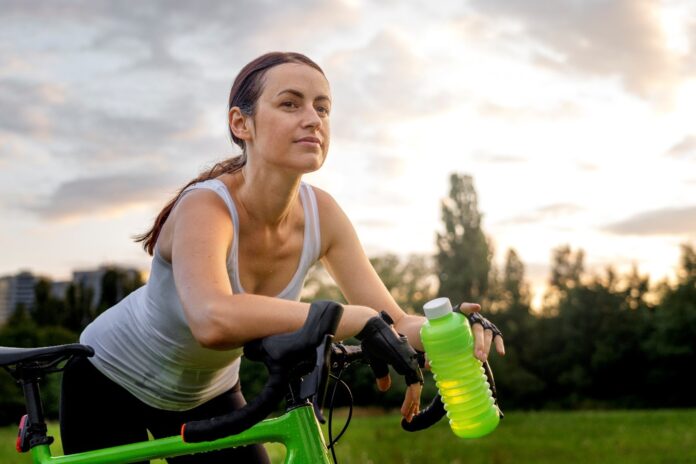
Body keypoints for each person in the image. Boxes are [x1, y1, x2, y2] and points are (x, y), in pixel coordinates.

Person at [59, 51, 505, 463]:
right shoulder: (206, 207)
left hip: (208, 391)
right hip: (109, 378)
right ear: (241, 124)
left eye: (323, 107)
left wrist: (448, 331)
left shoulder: (323, 214)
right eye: (291, 104)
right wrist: (345, 317)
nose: (313, 119)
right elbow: (212, 319)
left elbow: (391, 321)